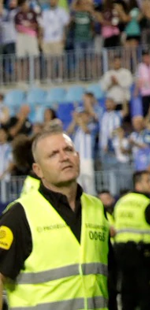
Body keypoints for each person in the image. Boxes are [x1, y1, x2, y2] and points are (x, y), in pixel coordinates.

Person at [0, 130, 110, 310]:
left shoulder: (97, 209)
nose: (64, 157)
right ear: (38, 170)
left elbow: (105, 276)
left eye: (68, 150)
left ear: (78, 157)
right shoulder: (19, 215)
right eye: (53, 154)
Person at [113, 171, 150, 310]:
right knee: (149, 297)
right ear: (138, 184)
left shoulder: (121, 202)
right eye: (148, 181)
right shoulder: (146, 204)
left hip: (121, 253)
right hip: (143, 255)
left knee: (128, 296)